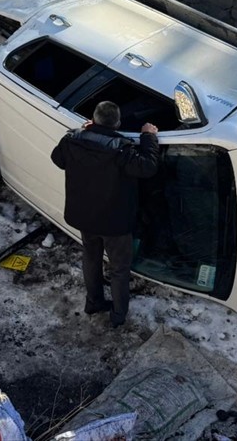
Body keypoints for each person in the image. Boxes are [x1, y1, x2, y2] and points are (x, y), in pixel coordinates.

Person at [50, 101, 159, 328]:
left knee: (91, 258)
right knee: (119, 269)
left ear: (93, 118)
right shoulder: (121, 149)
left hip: (85, 217)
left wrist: (83, 131)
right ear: (118, 123)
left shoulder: (73, 140)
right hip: (115, 223)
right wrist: (148, 137)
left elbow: (57, 159)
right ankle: (118, 316)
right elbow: (147, 167)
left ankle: (93, 303)